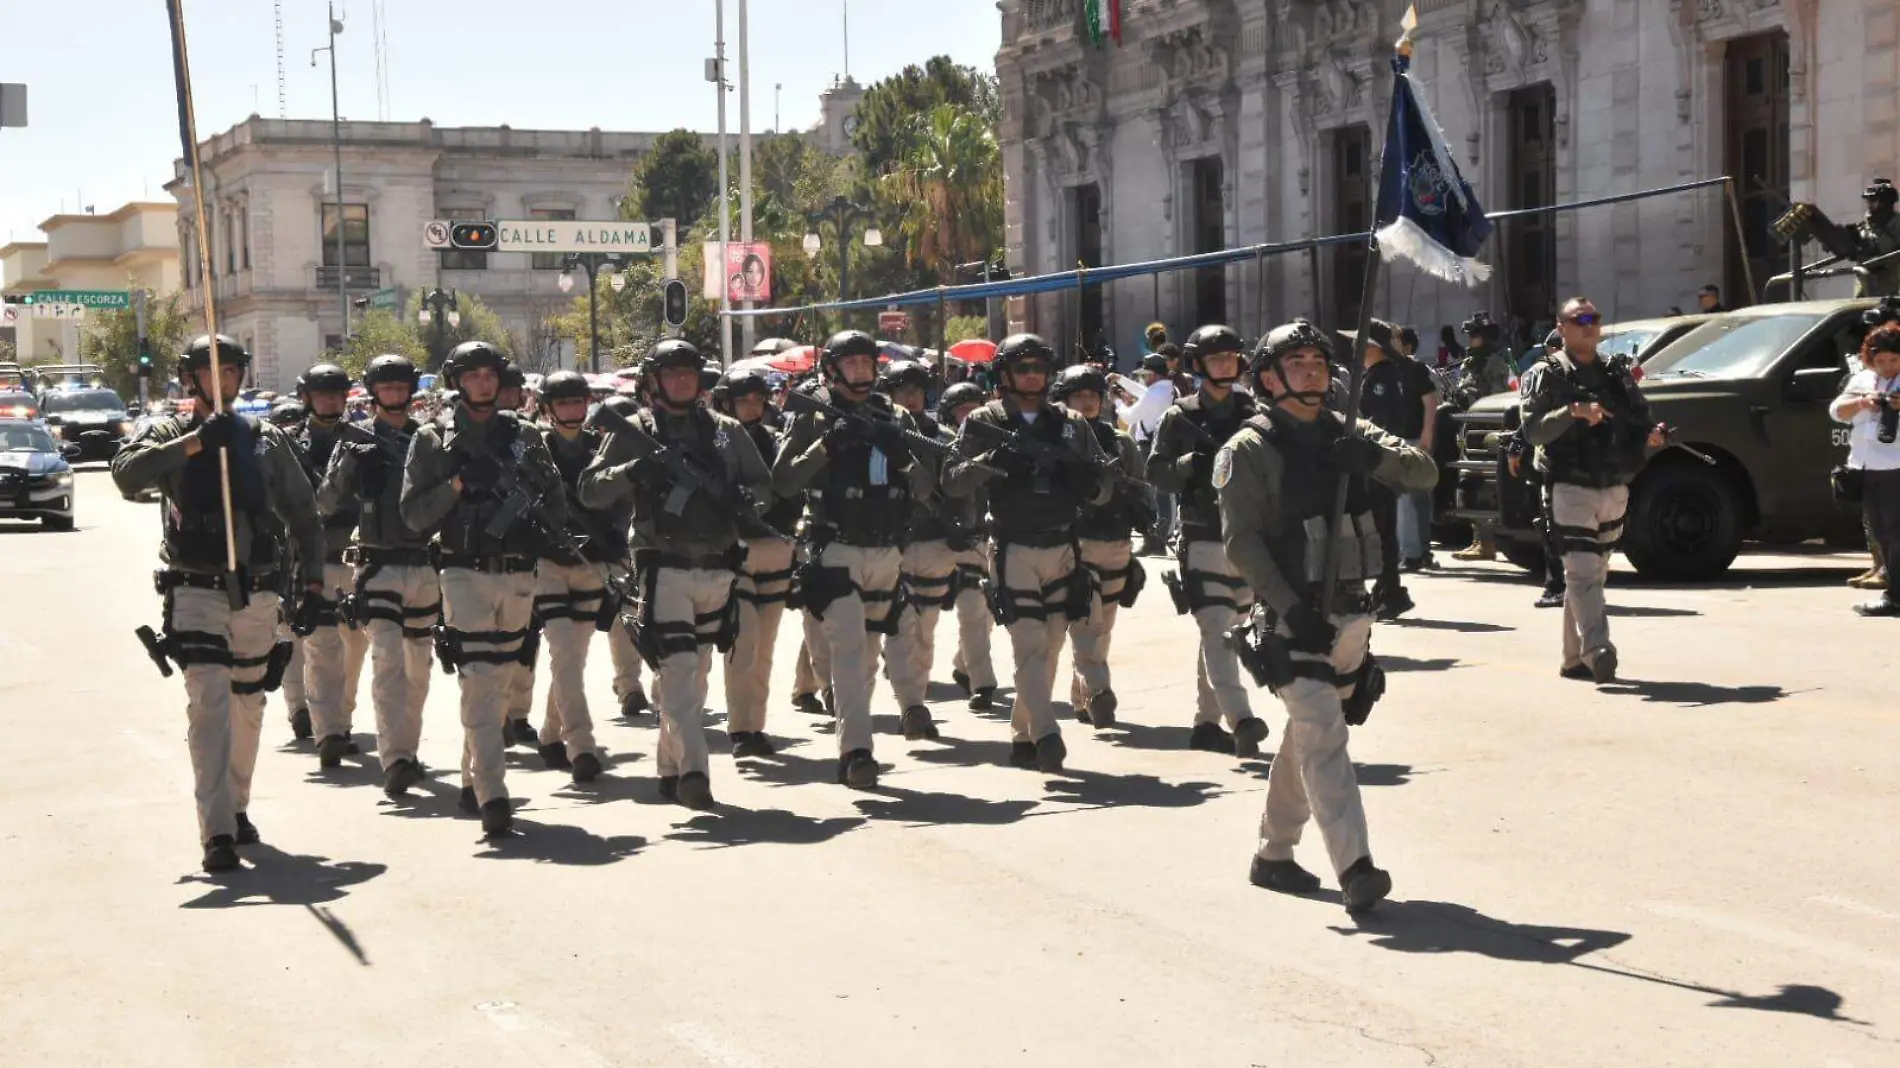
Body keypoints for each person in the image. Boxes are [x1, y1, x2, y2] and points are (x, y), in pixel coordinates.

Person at [1218, 319, 1436, 913]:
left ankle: (1273, 854)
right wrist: (1290, 609)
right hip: (1292, 615)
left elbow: (1423, 471)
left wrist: (1369, 457)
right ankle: (1355, 866)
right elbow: (1242, 544)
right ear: (1268, 377)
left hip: (1352, 614)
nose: (1313, 370)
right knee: (1324, 735)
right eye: (1298, 362)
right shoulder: (1249, 449)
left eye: (1319, 361)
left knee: (1307, 736)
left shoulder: (1350, 431)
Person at [112, 334, 327, 872]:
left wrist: (315, 585)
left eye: (231, 370)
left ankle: (235, 804)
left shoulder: (266, 439)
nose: (222, 380)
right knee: (208, 704)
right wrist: (197, 445)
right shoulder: (172, 432)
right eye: (211, 372)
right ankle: (216, 831)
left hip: (256, 588)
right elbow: (126, 473)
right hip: (195, 586)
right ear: (192, 379)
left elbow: (304, 514)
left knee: (247, 704)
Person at [583, 341, 771, 807]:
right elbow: (590, 489)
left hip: (717, 568)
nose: (682, 380)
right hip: (661, 565)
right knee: (680, 670)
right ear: (653, 381)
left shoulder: (727, 432)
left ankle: (669, 767)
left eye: (689, 372)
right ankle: (694, 772)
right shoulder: (631, 430)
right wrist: (635, 471)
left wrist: (745, 502)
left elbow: (764, 486)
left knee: (695, 674)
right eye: (671, 373)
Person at [401, 340, 568, 838]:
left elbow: (557, 502)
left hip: (516, 572)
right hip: (462, 569)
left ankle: (473, 777)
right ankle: (495, 794)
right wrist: (454, 486)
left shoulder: (526, 438)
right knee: (477, 675)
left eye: (490, 374)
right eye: (472, 375)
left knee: (498, 683)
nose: (483, 382)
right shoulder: (433, 440)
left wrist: (535, 522)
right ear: (457, 381)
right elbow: (411, 516)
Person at [944, 333, 1113, 773]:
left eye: (1039, 368)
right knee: (1029, 643)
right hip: (1012, 543)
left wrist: (1083, 479)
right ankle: (1047, 733)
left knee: (1053, 644)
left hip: (1062, 544)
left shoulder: (1072, 423)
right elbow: (953, 479)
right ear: (1005, 374)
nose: (1032, 376)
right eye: (1023, 368)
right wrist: (993, 462)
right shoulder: (984, 420)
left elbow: (1102, 485)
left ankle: (1022, 734)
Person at [773, 330, 930, 788]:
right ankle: (857, 751)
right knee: (848, 652)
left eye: (867, 363)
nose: (861, 371)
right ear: (832, 370)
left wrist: (902, 456)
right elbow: (782, 482)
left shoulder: (895, 415)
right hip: (836, 548)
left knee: (872, 656)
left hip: (887, 549)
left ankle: (905, 707)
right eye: (852, 364)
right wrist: (826, 446)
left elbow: (924, 487)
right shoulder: (813, 415)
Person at [1521, 297, 1668, 683]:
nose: (1588, 325)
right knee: (1583, 569)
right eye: (1579, 319)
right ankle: (1599, 649)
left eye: (1594, 319)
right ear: (1562, 327)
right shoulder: (1544, 373)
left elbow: (1641, 419)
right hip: (1569, 484)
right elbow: (1533, 430)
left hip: (1614, 483)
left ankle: (1573, 659)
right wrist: (1572, 413)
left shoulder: (1615, 372)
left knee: (1592, 574)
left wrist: (1652, 437)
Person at [317, 354, 440, 798]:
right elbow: (327, 501)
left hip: (424, 562)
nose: (393, 393)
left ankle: (406, 748)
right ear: (373, 392)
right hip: (376, 562)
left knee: (419, 669)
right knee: (387, 661)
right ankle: (395, 759)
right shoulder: (356, 439)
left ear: (410, 390)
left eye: (399, 386)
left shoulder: (429, 438)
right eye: (384, 387)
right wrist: (354, 466)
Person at [1145, 325, 1271, 757]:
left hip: (1249, 534)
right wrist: (1188, 465)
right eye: (1216, 359)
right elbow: (1155, 472)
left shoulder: (1255, 411)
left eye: (1232, 358)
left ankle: (1206, 722)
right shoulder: (1180, 415)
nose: (1225, 365)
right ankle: (1242, 718)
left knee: (1231, 627)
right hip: (1201, 532)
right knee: (1217, 628)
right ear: (1198, 365)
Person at [526, 370, 620, 783]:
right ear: (547, 408)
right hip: (547, 563)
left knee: (572, 661)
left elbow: (619, 505)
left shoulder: (601, 449)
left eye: (576, 402)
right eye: (562, 403)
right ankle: (581, 744)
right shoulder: (534, 451)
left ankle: (550, 734)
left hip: (591, 562)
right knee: (564, 654)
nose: (571, 410)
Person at [1051, 364, 1147, 727]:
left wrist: (1143, 516)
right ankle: (1098, 688)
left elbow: (1140, 486)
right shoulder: (1058, 442)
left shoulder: (1120, 442)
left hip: (1116, 540)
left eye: (1093, 396)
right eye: (1079, 396)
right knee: (1084, 620)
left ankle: (1082, 698)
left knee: (1103, 625)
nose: (1088, 403)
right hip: (1076, 541)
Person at [717, 367, 804, 755]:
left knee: (765, 645)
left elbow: (789, 488)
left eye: (757, 399)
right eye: (743, 400)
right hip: (735, 550)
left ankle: (756, 725)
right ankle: (740, 727)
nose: (751, 407)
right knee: (744, 639)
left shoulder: (775, 441)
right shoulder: (715, 442)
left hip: (777, 548)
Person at [290, 362, 370, 768]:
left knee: (355, 648)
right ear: (307, 398)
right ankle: (329, 733)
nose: (329, 402)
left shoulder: (364, 441)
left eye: (336, 395)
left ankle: (342, 719)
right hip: (315, 558)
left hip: (355, 558)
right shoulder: (290, 444)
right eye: (322, 395)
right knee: (320, 649)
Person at [877, 359, 959, 741]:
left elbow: (959, 488)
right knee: (900, 626)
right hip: (895, 542)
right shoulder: (879, 433)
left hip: (935, 542)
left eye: (915, 388)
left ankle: (917, 702)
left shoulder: (942, 436)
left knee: (924, 629)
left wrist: (964, 526)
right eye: (901, 389)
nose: (909, 396)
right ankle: (910, 703)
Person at [1349, 320, 1439, 618]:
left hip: (1381, 460)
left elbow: (1376, 422)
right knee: (1384, 528)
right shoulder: (1377, 374)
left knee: (1381, 528)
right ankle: (1390, 590)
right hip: (1381, 460)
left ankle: (1390, 590)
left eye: (1360, 342)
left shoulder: (1383, 377)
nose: (1354, 348)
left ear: (1374, 347)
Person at [935, 381, 999, 711]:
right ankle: (982, 681)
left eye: (975, 407)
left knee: (985, 613)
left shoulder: (998, 440)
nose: (970, 414)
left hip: (988, 539)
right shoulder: (941, 443)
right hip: (951, 539)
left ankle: (967, 668)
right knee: (969, 613)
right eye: (963, 410)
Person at [1829, 324, 1900, 615]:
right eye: (1880, 360)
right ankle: (1893, 592)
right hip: (1866, 466)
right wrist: (1862, 402)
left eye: (1894, 360)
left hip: (1896, 465)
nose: (1886, 366)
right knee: (1881, 533)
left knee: (1896, 534)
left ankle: (1894, 596)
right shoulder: (1862, 379)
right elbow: (1836, 411)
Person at [1851, 178, 1900, 298]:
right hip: (1865, 287)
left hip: (1891, 288)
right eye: (1868, 201)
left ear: (1884, 202)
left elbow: (1887, 250)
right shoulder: (1864, 226)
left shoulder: (1896, 225)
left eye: (1873, 200)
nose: (1869, 205)